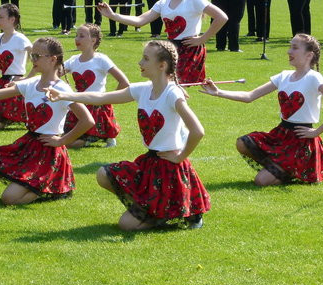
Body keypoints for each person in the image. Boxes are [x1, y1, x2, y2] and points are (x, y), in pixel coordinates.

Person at [45, 40, 210, 230]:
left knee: (126, 225)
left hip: (170, 169)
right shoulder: (142, 89)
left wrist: (181, 156)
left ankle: (179, 215)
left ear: (162, 65)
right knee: (103, 174)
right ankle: (155, 212)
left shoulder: (173, 94)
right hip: (150, 162)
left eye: (146, 59)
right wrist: (66, 96)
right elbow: (101, 97)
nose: (140, 63)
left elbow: (198, 131)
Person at [0, 37, 94, 205]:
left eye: (37, 56)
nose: (33, 60)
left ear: (52, 59)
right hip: (28, 144)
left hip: (48, 151)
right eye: (32, 55)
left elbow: (87, 120)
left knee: (9, 199)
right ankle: (26, 182)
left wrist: (62, 140)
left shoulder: (62, 89)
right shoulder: (31, 83)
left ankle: (49, 186)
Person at [202, 33, 323, 186]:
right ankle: (283, 169)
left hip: (301, 141)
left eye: (295, 48)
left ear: (309, 55)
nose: (289, 52)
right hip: (281, 134)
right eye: (290, 47)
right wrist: (218, 92)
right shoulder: (284, 76)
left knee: (260, 181)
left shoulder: (314, 78)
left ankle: (287, 170)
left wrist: (317, 132)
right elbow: (249, 96)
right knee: (243, 143)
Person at [99, 0, 228, 83]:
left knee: (179, 88)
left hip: (190, 50)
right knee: (165, 87)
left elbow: (221, 17)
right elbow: (139, 21)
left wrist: (202, 39)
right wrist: (113, 15)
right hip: (170, 49)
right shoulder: (164, 1)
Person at [62, 24, 130, 148]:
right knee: (65, 139)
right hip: (79, 105)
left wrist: (107, 99)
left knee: (69, 142)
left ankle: (97, 137)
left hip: (96, 106)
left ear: (93, 40)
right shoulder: (73, 60)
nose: (77, 39)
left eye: (82, 36)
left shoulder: (101, 59)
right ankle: (93, 138)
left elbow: (124, 82)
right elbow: (54, 75)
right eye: (76, 36)